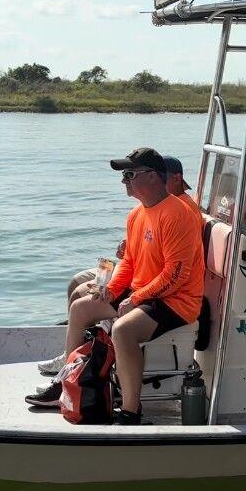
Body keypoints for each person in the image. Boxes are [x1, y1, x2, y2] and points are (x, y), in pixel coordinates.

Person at [31, 148, 205, 425]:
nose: (124, 180)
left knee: (123, 330)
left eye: (129, 174)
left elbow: (177, 275)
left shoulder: (178, 214)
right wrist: (112, 290)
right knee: (80, 307)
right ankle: (67, 383)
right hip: (145, 291)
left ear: (152, 177)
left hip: (177, 300)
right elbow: (129, 262)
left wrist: (136, 298)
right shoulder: (136, 215)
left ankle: (130, 412)